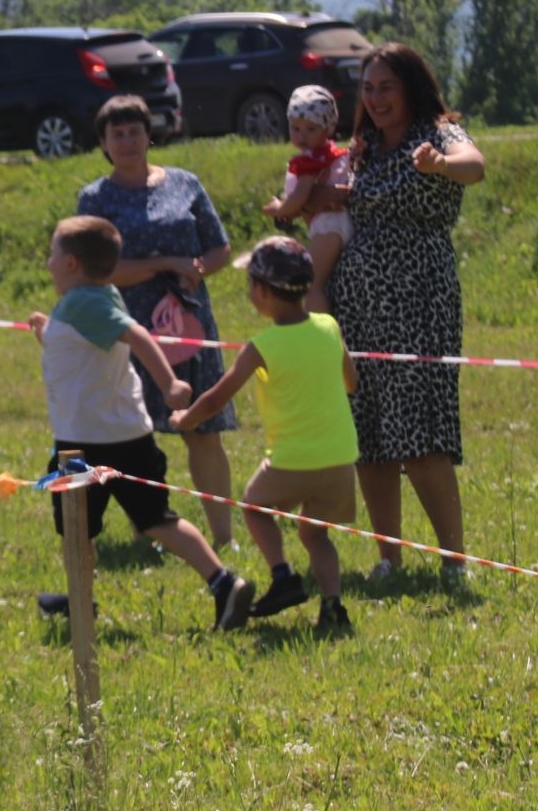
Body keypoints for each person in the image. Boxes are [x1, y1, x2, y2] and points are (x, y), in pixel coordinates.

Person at [29, 216, 253, 631]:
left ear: (72, 264)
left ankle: (81, 604)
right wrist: (50, 332)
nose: (48, 262)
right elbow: (88, 346)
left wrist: (169, 384)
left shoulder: (85, 302)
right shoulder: (99, 297)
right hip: (129, 435)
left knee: (77, 531)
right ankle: (222, 582)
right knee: (157, 520)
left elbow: (138, 336)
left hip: (84, 444)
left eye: (53, 254)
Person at [326, 43, 486, 584]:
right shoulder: (362, 146)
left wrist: (440, 163)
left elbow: (475, 166)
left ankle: (454, 561)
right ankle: (389, 559)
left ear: (411, 88)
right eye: (367, 89)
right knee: (369, 437)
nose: (374, 99)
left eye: (385, 88)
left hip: (420, 299)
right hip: (357, 309)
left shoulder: (439, 132)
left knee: (420, 435)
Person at [75, 95, 238, 550]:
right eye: (116, 134)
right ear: (104, 143)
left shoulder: (186, 183)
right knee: (134, 437)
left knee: (203, 431)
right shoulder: (94, 198)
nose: (126, 141)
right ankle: (148, 529)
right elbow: (94, 270)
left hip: (190, 326)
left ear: (150, 135)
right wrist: (165, 263)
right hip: (123, 327)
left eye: (133, 132)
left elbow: (219, 247)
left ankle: (225, 538)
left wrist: (197, 269)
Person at [173, 237, 357, 632]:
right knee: (316, 533)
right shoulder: (328, 326)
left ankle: (283, 576)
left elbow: (216, 398)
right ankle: (333, 606)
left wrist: (184, 420)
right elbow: (352, 382)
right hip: (341, 458)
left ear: (262, 293)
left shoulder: (262, 346)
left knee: (255, 507)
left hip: (293, 459)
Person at [259, 85, 352, 314]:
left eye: (311, 129)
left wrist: (280, 208)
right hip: (333, 224)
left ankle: (324, 335)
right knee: (324, 281)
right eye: (296, 128)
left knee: (313, 284)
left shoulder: (311, 161)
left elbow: (299, 197)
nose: (302, 136)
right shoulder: (327, 154)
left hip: (330, 226)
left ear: (328, 128)